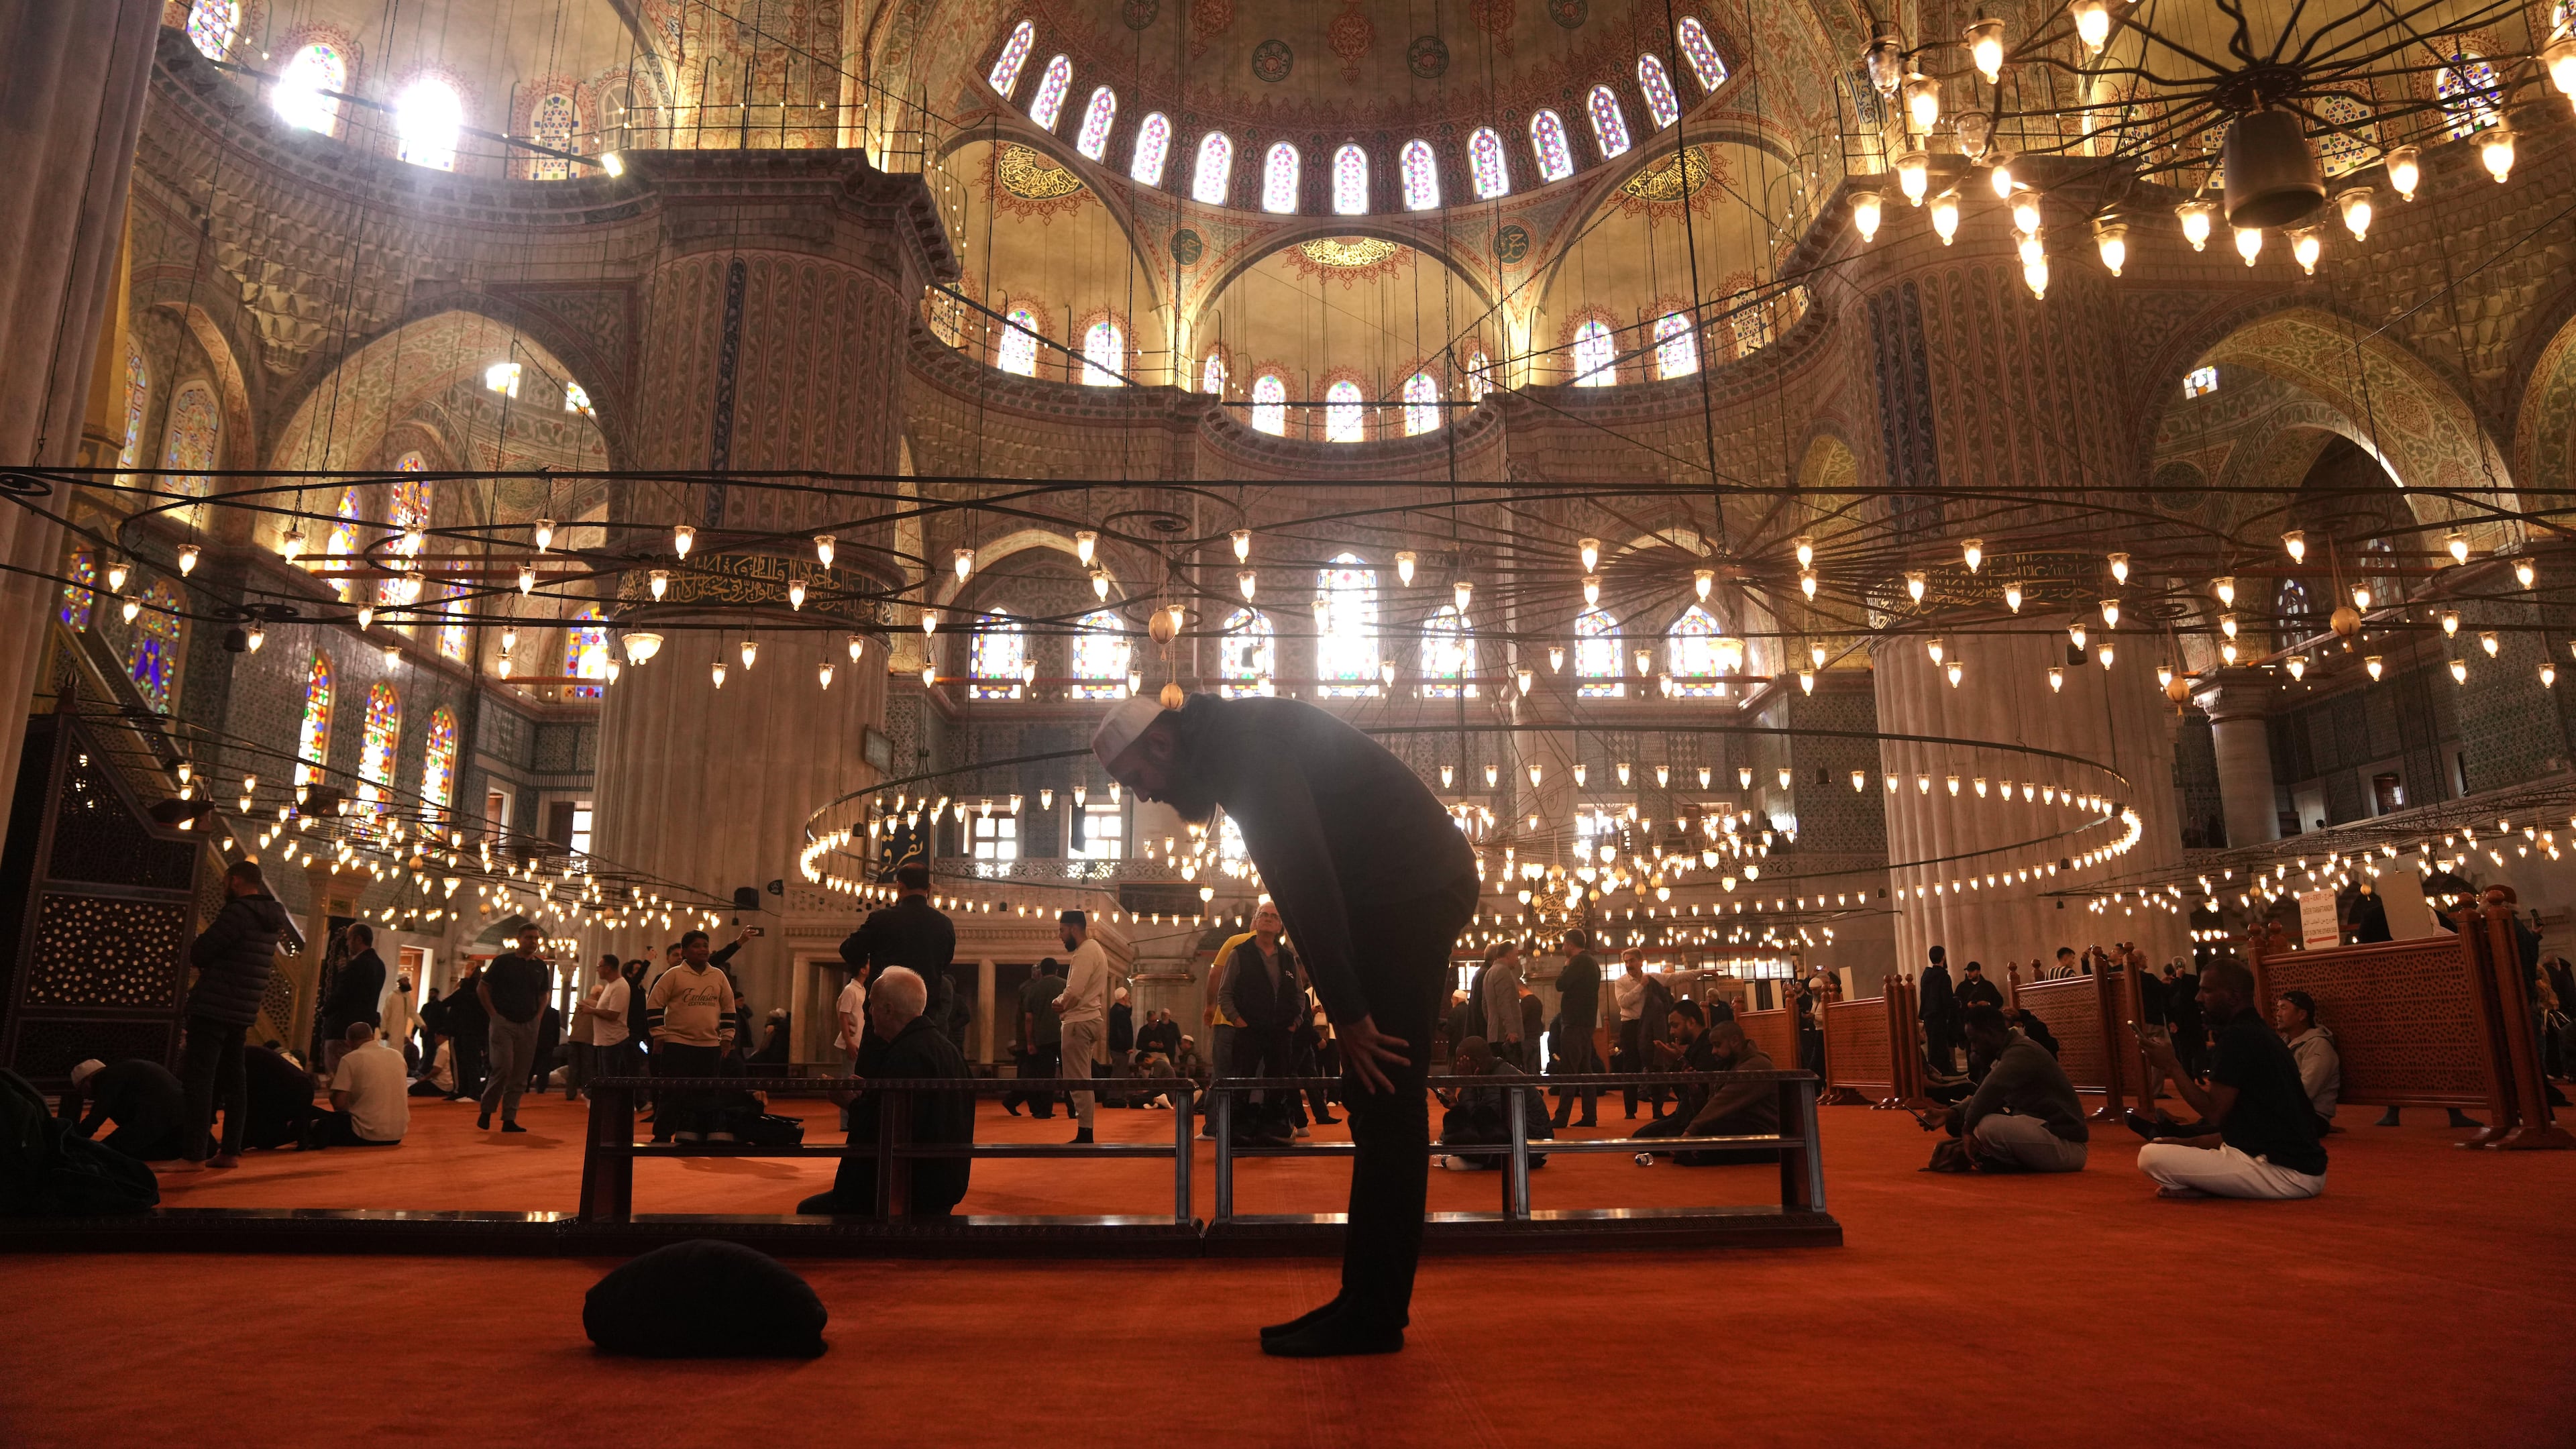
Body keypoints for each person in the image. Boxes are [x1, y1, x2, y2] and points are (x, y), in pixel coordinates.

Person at [1095, 691, 1478, 1357]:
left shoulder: (1242, 748)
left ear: (1161, 745)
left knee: (1388, 1090)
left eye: (1136, 779)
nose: (1144, 796)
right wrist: (1345, 1004)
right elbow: (1301, 887)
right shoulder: (1227, 745)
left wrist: (1352, 1014)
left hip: (1411, 886)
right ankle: (1365, 1299)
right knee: (1372, 1095)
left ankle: (1377, 1312)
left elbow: (1305, 880)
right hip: (1391, 888)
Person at [2134, 961, 2328, 1199]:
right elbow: (2246, 1128)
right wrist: (2190, 1142)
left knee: (2150, 1156)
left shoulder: (2238, 1038)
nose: (2198, 998)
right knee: (2167, 1147)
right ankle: (2212, 1185)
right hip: (2298, 1167)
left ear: (2234, 996)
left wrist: (2172, 1066)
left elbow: (2214, 1112)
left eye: (2207, 990)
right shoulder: (2255, 1031)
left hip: (2284, 1172)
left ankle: (2214, 1186)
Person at [796, 967, 973, 1218]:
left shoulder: (906, 1054)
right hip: (945, 1184)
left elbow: (890, 1131)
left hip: (907, 1189)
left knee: (807, 1213)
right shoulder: (947, 1050)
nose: (869, 1013)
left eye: (872, 1005)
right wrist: (869, 1094)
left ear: (889, 1010)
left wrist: (851, 1103)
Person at [177, 859, 305, 1169]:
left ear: (234, 881)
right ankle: (230, 1151)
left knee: (201, 1078)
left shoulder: (238, 913)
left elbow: (201, 951)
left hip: (214, 1005)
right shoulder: (272, 918)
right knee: (235, 1079)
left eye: (224, 883)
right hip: (243, 1008)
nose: (222, 888)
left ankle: (193, 1155)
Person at [1951, 1006, 2086, 1171]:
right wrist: (1952, 1113)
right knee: (1979, 1127)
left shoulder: (2022, 1051)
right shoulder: (2008, 1052)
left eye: (1975, 1040)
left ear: (1991, 1034)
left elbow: (1992, 1089)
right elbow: (1990, 1096)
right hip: (2049, 1135)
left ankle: (2003, 1162)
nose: (1973, 1048)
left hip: (2068, 1146)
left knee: (1988, 1126)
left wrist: (1967, 1129)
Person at [1217, 899, 1305, 1146]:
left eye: (1274, 916)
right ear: (1255, 921)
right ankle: (1241, 1128)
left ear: (1280, 926)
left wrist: (1296, 1021)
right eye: (1263, 914)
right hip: (1250, 1029)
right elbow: (1225, 992)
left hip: (1281, 1030)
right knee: (1245, 1078)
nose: (1268, 918)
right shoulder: (1240, 953)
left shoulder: (1288, 958)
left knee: (1278, 1079)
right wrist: (1238, 1020)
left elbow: (1299, 994)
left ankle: (1274, 1127)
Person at [841, 864, 957, 1040]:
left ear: (900, 887)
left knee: (879, 1068)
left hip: (884, 1020)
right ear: (929, 889)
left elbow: (848, 950)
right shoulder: (944, 924)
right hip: (925, 1021)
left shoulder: (881, 920)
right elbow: (945, 962)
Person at [1641, 1013, 1776, 1164]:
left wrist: (1688, 1134)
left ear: (1735, 1041)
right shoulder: (1727, 1063)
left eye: (1717, 1045)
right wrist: (1694, 1091)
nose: (1713, 1051)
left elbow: (1720, 1103)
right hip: (1731, 1123)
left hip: (1760, 1131)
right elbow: (1707, 1107)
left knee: (1695, 1144)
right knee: (1646, 1138)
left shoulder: (1756, 1066)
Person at [645, 930, 739, 1141]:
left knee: (707, 1093)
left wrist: (727, 1037)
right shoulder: (673, 975)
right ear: (685, 951)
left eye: (705, 945)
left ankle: (697, 1132)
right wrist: (659, 1035)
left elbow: (728, 1007)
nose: (702, 950)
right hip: (678, 1043)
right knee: (671, 1091)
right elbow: (654, 1004)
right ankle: (662, 1135)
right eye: (696, 946)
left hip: (709, 1045)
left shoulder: (718, 975)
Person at [476, 926, 551, 1132]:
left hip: (529, 1024)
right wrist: (493, 1014)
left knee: (521, 1073)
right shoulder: (503, 962)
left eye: (536, 938)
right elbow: (483, 987)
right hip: (504, 1022)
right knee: (503, 1067)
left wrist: (538, 1017)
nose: (533, 942)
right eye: (529, 938)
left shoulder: (540, 967)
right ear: (519, 940)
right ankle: (487, 1109)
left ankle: (509, 1117)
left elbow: (544, 995)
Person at [1434, 1037, 1549, 1170]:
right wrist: (1456, 1105)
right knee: (1455, 1121)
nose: (1459, 1068)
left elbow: (1484, 1118)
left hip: (1530, 1140)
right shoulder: (1487, 1071)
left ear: (1476, 1062)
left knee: (1463, 1129)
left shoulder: (1500, 1077)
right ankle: (1477, 1158)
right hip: (1517, 1133)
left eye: (1462, 1063)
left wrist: (1467, 1084)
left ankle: (1478, 1160)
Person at [1054, 910, 1112, 1144]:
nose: (1060, 936)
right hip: (1089, 1019)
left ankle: (1085, 1132)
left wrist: (1059, 1003)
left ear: (1074, 929)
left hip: (1079, 1022)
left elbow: (1075, 991)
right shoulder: (1094, 949)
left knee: (1077, 1081)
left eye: (1062, 930)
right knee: (1082, 1078)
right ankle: (1085, 1130)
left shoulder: (1085, 951)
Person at [64, 1057, 189, 1163]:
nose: (85, 1097)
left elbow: (94, 1120)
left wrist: (72, 1141)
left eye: (81, 1091)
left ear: (86, 1081)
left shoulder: (107, 1079)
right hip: (185, 1118)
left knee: (101, 1152)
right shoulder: (125, 1071)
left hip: (155, 1118)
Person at [310, 1022, 407, 1148]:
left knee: (312, 1114)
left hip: (364, 1134)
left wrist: (332, 1088)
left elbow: (339, 1105)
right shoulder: (398, 1056)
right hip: (397, 1134)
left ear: (348, 1042)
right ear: (372, 1036)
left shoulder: (350, 1059)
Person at [317, 923, 386, 1075]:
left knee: (340, 1076)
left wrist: (325, 1010)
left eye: (349, 939)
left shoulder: (357, 965)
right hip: (365, 1029)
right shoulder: (379, 965)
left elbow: (342, 994)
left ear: (358, 939)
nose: (347, 944)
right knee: (357, 1075)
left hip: (344, 1029)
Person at [1550, 929, 1602, 1128]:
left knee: (1569, 1071)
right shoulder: (1592, 962)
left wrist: (1566, 966)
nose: (1563, 949)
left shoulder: (1579, 961)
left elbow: (1560, 984)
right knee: (1584, 1069)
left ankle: (1562, 1117)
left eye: (1564, 945)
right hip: (1586, 1023)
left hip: (1574, 1023)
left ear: (1570, 945)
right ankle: (1590, 1115)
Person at [2275, 989, 2341, 1136]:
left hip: (2312, 1117)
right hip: (2287, 1111)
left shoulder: (2319, 1045)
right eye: (2278, 1008)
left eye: (2284, 1008)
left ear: (2302, 1015)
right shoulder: (2282, 1045)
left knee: (2251, 1127)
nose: (2278, 1014)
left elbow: (2305, 1091)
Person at [1008, 957, 1065, 1118]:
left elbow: (1028, 1019)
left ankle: (1045, 1111)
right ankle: (1073, 1110)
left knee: (1045, 1075)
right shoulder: (1064, 984)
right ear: (1056, 970)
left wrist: (1030, 1042)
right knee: (1069, 1074)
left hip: (1042, 1039)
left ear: (1041, 972)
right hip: (1063, 1035)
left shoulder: (1032, 989)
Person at [574, 955, 632, 1097]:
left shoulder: (620, 986)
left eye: (599, 967)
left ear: (608, 968)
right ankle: (607, 1111)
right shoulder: (610, 985)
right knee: (604, 1081)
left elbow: (614, 1015)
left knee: (611, 1081)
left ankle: (612, 1113)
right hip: (604, 1040)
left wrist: (591, 1010)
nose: (597, 970)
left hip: (614, 1041)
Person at [1610, 949, 1651, 1120]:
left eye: (1632, 961)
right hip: (1629, 1026)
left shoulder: (1651, 979)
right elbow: (1623, 1002)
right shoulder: (1621, 982)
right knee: (1630, 1068)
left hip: (1648, 1026)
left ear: (1642, 961)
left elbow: (1675, 978)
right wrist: (1641, 986)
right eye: (1626, 962)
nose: (1628, 965)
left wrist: (1702, 972)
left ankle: (1657, 1109)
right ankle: (1630, 1111)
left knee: (1654, 1066)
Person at [1477, 941, 1527, 1071]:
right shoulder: (1503, 971)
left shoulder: (1489, 972)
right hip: (1506, 1036)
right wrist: (1511, 1030)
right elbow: (1504, 1003)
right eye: (1516, 955)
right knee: (1512, 1075)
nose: (1517, 960)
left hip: (1494, 1033)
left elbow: (1484, 1005)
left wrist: (1492, 1023)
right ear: (1509, 955)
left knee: (1497, 1074)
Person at [1919, 947, 1959, 1076]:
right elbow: (1946, 999)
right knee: (1940, 1045)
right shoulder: (1943, 976)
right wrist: (1957, 1003)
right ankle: (1944, 1071)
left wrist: (1922, 1015)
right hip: (1940, 1016)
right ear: (1943, 957)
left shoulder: (1926, 975)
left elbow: (1923, 996)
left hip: (1929, 1016)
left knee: (1934, 1046)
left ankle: (1940, 1070)